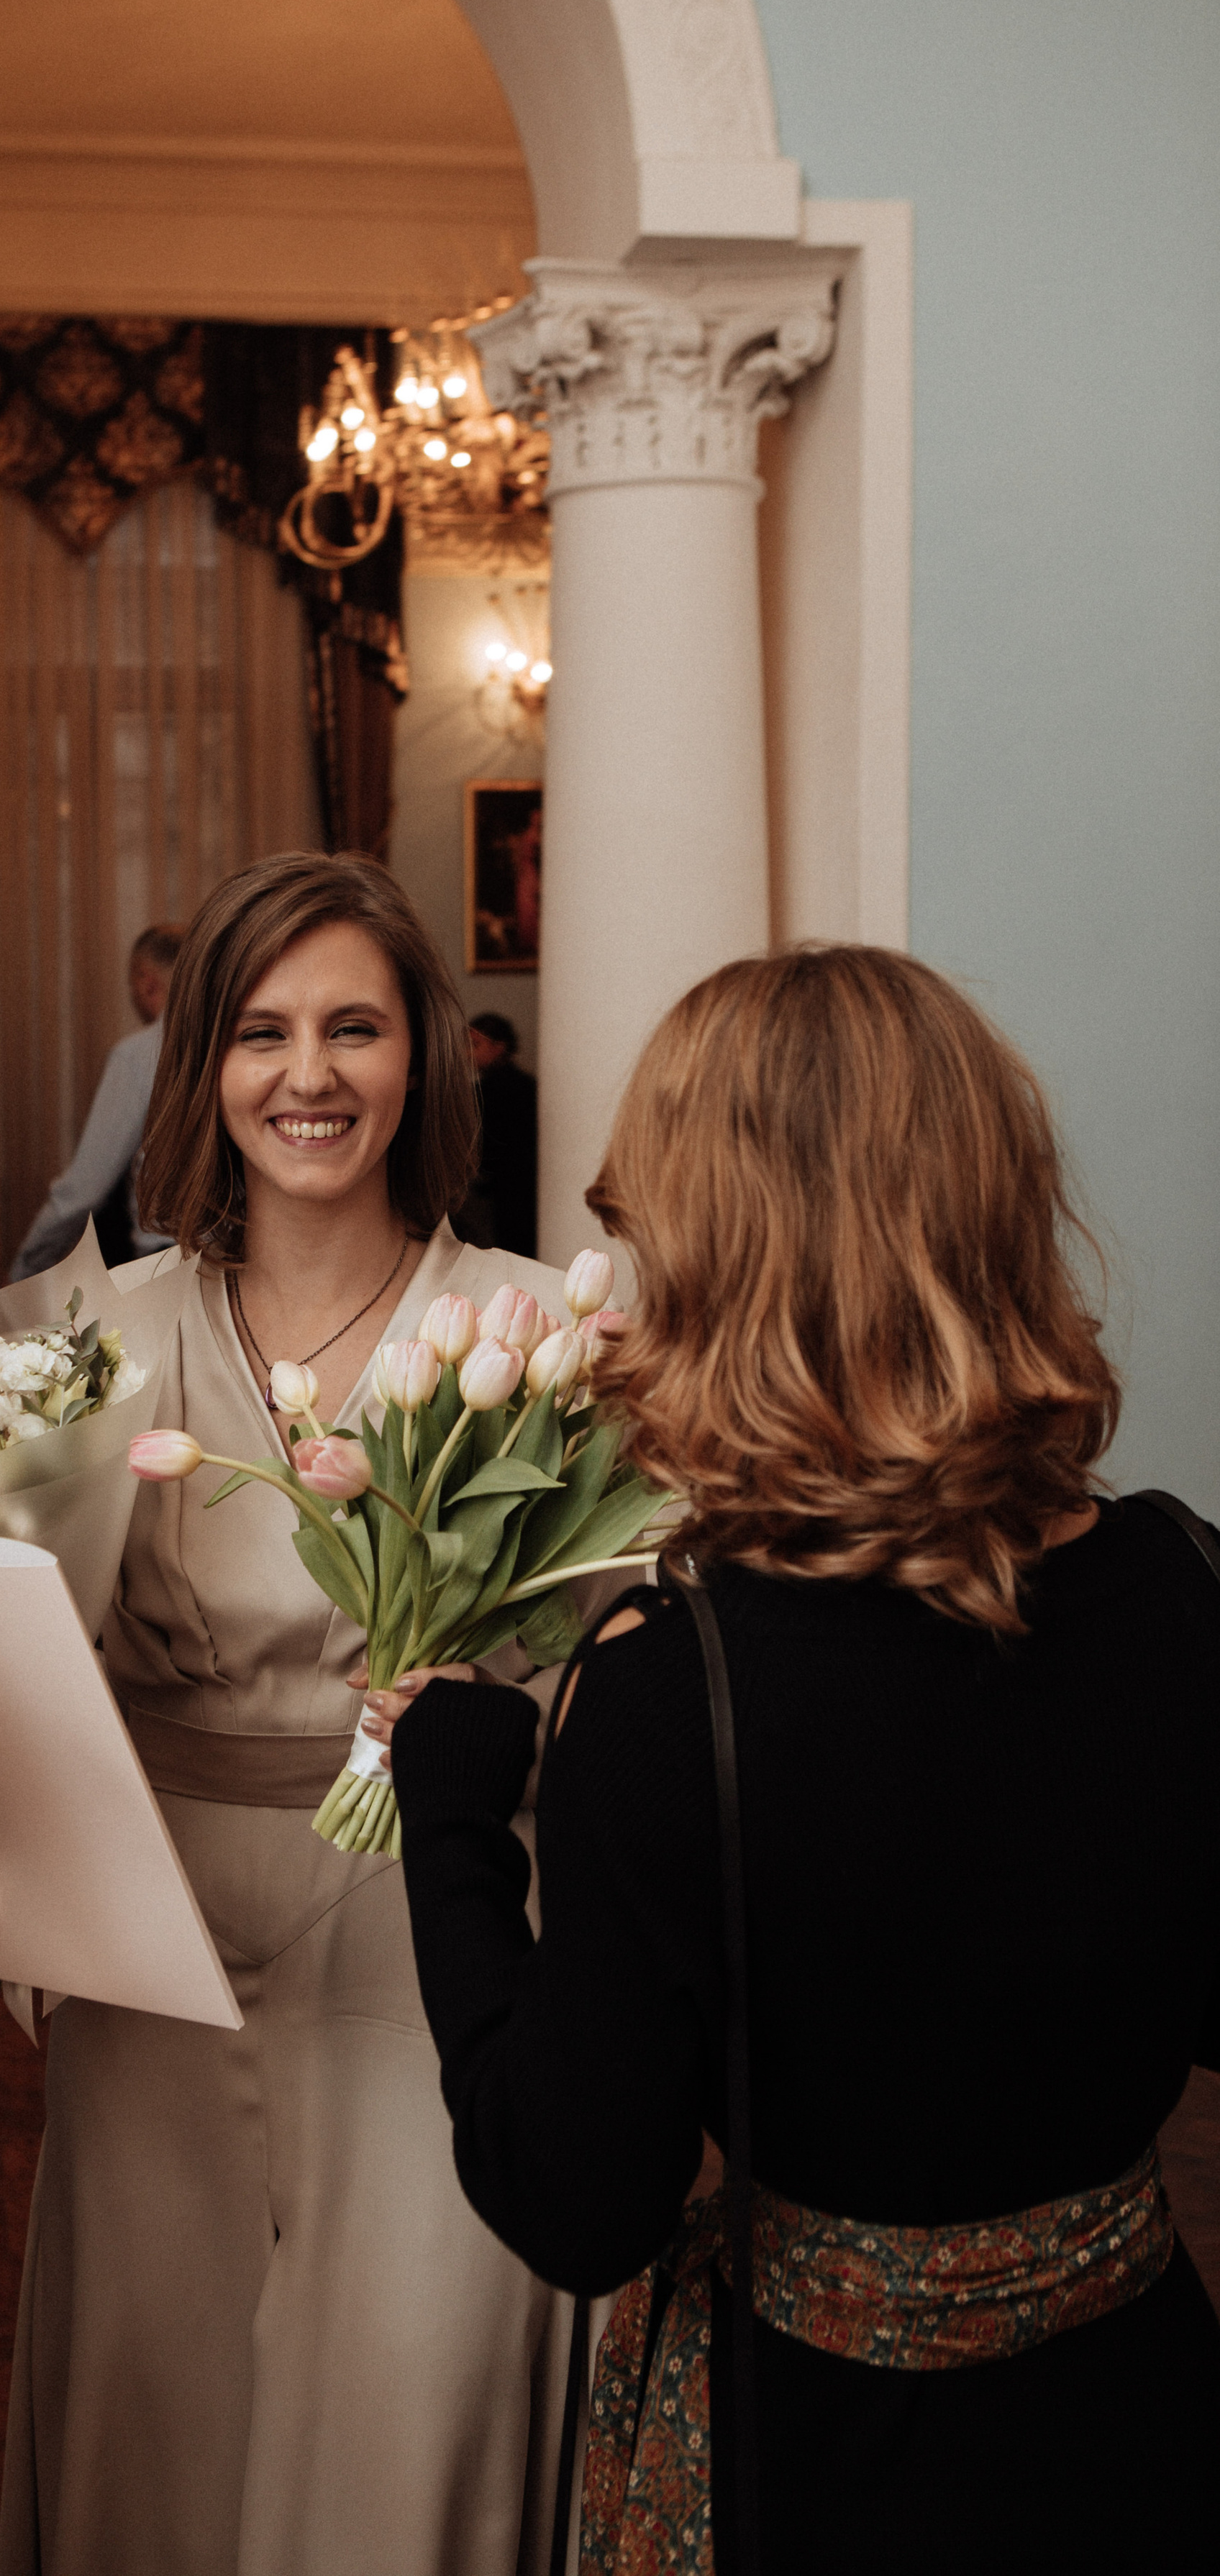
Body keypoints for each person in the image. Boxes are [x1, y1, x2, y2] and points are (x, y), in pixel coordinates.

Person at [384, 944, 1220, 2575]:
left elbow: (574, 2196)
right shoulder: (1179, 1584)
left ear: (725, 1260)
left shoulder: (675, 1687)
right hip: (1138, 2423)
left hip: (839, 2467)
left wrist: (453, 1816)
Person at [0, 854, 578, 2576]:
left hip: (434, 1934)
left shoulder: (533, 1326)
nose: (309, 1074)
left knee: (412, 2404)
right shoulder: (82, 1333)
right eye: (263, 1030)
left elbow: (617, 1654)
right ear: (197, 1060)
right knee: (161, 2410)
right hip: (158, 1947)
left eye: (352, 1026)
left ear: (420, 1055)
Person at [8, 921, 186, 1279]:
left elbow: (84, 1190)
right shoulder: (238, 1044)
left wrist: (26, 1269)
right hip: (240, 1263)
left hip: (167, 1266)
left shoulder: (140, 1056)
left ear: (146, 982)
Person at [451, 1011, 538, 1257]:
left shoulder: (487, 1092)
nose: (467, 1053)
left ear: (499, 1047)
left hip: (502, 1190)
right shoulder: (528, 1085)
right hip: (522, 1187)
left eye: (475, 1045)